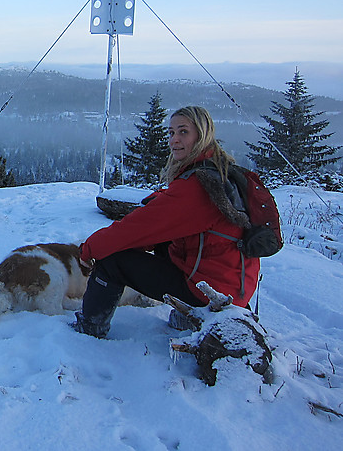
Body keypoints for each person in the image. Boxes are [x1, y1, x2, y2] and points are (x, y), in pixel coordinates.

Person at [72, 105, 260, 338]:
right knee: (161, 243)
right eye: (171, 133)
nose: (174, 140)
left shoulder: (196, 186)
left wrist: (90, 248)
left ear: (202, 134)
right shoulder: (220, 173)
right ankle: (191, 317)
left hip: (208, 291)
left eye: (183, 132)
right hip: (232, 287)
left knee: (111, 258)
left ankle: (89, 328)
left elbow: (138, 228)